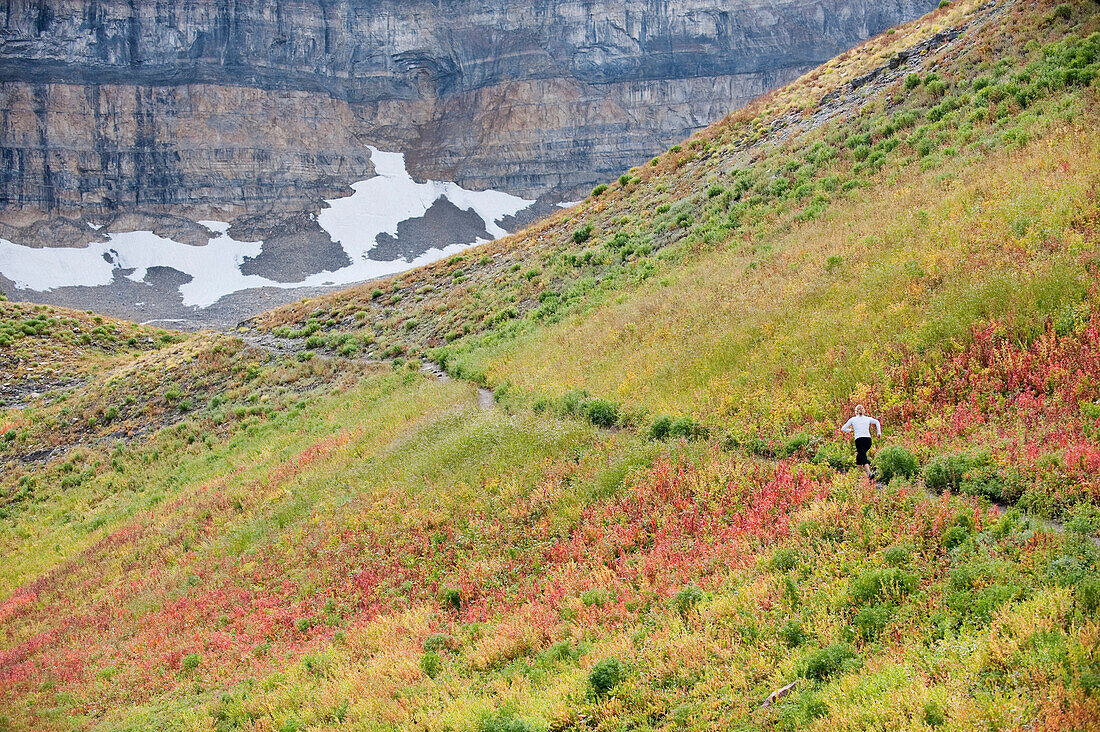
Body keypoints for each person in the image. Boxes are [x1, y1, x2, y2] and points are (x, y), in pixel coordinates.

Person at [841, 405, 881, 480]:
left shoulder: (853, 419)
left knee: (862, 456)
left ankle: (869, 473)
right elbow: (877, 422)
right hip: (868, 440)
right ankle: (858, 475)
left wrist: (850, 430)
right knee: (860, 455)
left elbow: (843, 428)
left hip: (859, 440)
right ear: (863, 411)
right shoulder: (867, 419)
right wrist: (879, 433)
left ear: (855, 411)